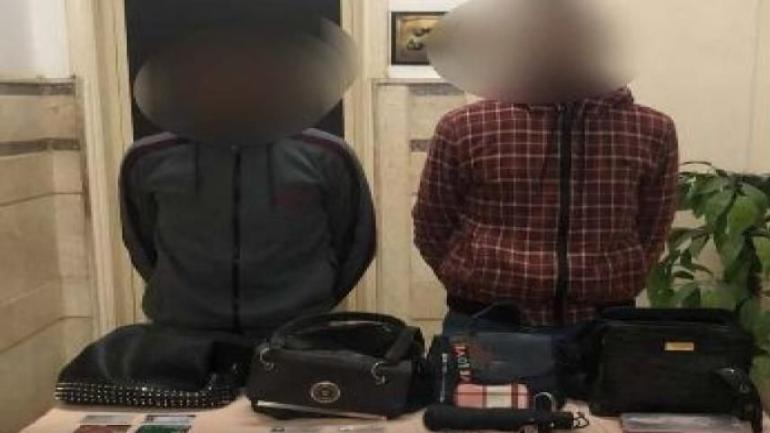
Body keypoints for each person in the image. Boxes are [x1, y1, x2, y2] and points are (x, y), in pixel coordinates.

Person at [413, 87, 679, 334]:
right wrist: (470, 277)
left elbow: (653, 226)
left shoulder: (652, 129)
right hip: (485, 321)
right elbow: (432, 222)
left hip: (603, 325)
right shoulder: (465, 126)